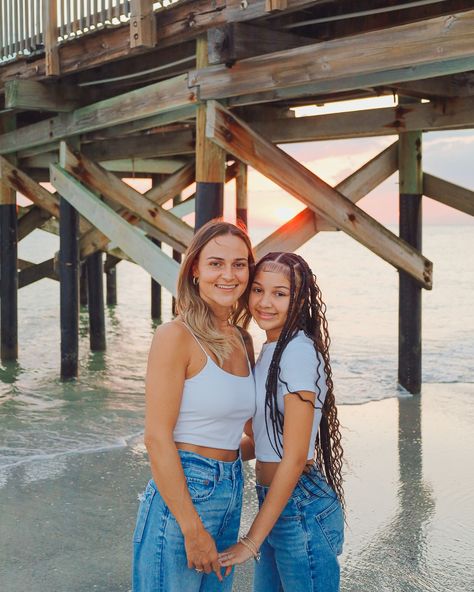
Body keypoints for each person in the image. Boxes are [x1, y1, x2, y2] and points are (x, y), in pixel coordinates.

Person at [132, 220, 256, 592]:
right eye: (216, 263)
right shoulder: (175, 336)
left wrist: (294, 451)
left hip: (231, 486)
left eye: (239, 264)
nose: (228, 275)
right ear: (195, 271)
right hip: (184, 494)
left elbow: (244, 438)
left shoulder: (243, 341)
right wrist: (191, 527)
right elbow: (156, 438)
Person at [219, 251, 345, 592]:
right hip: (276, 500)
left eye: (280, 293)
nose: (265, 302)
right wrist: (206, 455)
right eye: (258, 290)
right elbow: (265, 440)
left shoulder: (299, 352)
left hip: (299, 504)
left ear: (300, 300)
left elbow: (292, 456)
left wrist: (251, 540)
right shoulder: (271, 350)